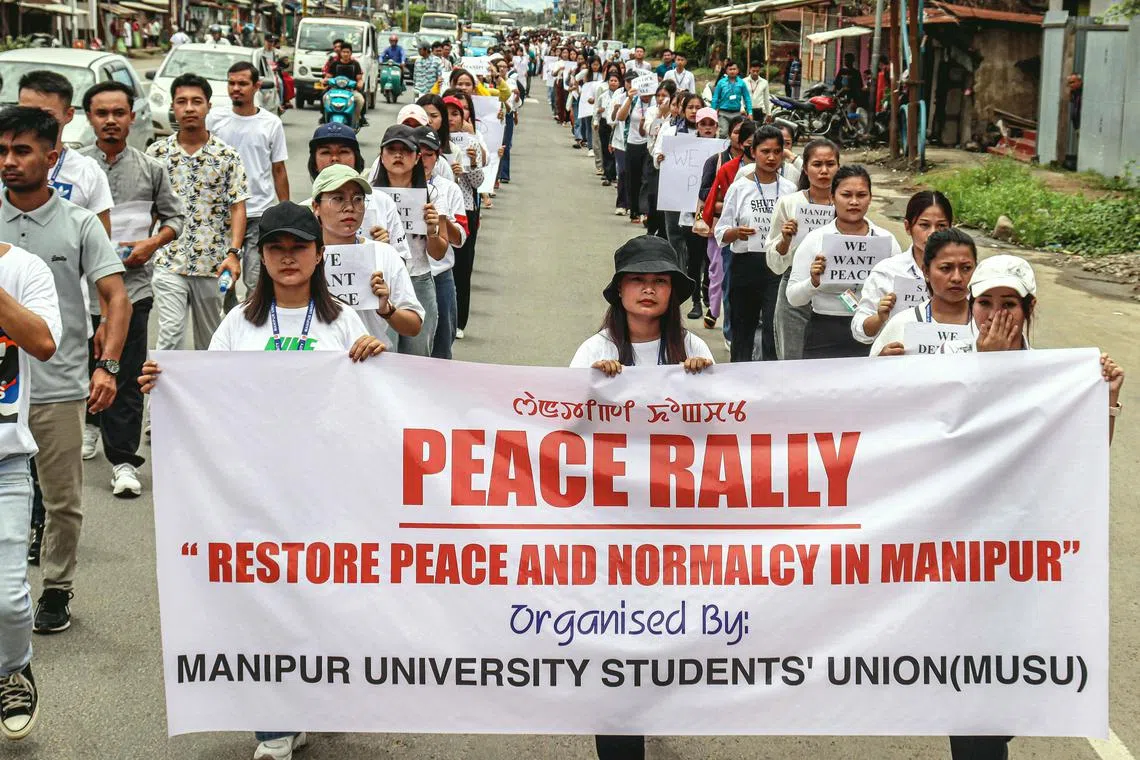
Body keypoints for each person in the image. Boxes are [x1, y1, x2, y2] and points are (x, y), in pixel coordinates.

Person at [137, 202, 385, 760]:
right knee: (262, 605)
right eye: (276, 248)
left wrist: (379, 355)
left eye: (299, 247)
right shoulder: (237, 324)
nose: (288, 257)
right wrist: (167, 380)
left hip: (325, 494)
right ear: (261, 256)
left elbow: (376, 399)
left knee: (317, 603)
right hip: (251, 494)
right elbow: (206, 393)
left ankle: (307, 703)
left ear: (319, 254)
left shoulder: (343, 321)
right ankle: (273, 724)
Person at [0, 107, 130, 634]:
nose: (9, 161)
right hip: (1, 391)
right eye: (2, 150)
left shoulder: (78, 223)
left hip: (58, 385)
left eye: (22, 150)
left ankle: (55, 589)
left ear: (52, 158)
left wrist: (108, 366)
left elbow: (115, 298)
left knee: (61, 500)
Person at [80, 82, 185, 499]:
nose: (110, 121)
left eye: (118, 113)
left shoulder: (149, 169)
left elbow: (174, 218)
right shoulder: (72, 169)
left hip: (133, 288)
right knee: (84, 367)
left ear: (132, 117)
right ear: (89, 117)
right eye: (101, 113)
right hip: (80, 293)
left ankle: (124, 459)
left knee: (124, 373)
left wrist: (152, 244)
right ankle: (89, 426)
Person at [936, 255, 1125, 445]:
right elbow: (937, 434)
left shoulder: (1048, 374)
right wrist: (988, 363)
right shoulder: (948, 356)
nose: (994, 315)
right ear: (972, 304)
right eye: (984, 303)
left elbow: (1085, 451)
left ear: (1029, 307)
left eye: (1008, 304)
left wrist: (1108, 397)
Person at [0, 226, 61, 744]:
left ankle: (12, 668)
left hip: (5, 461)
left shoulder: (24, 269)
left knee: (8, 601)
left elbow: (41, 343)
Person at [147, 73, 247, 357]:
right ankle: (161, 402)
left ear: (208, 106)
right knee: (170, 337)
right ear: (173, 107)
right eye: (182, 102)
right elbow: (149, 209)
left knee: (210, 345)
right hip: (168, 262)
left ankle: (207, 401)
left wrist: (234, 253)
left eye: (196, 101)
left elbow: (238, 206)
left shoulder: (226, 156)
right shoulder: (157, 154)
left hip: (212, 265)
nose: (189, 108)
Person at [786, 164, 901, 358]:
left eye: (861, 195)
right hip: (824, 332)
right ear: (832, 197)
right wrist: (813, 282)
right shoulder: (815, 240)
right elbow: (793, 298)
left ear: (870, 198)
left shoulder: (886, 241)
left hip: (873, 331)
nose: (854, 202)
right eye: (846, 195)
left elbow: (899, 291)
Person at [309, 163, 423, 349]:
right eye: (338, 198)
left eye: (357, 199)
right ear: (316, 207)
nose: (350, 207)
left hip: (370, 360)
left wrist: (386, 309)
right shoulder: (303, 256)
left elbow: (414, 326)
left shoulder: (384, 254)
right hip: (318, 360)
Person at [571, 235, 714, 377]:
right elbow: (569, 396)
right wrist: (590, 381)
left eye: (660, 280)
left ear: (672, 290)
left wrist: (702, 377)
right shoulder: (594, 351)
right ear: (620, 287)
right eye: (637, 279)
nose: (649, 289)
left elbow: (716, 396)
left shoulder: (693, 348)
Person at [207, 61, 289, 309]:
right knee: (223, 283)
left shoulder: (271, 123)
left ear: (256, 86)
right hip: (222, 216)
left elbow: (278, 169)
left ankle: (252, 328)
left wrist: (285, 212)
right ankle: (229, 325)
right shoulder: (214, 120)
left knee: (256, 281)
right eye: (231, 83)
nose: (236, 89)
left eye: (242, 83)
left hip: (258, 214)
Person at [714, 125, 797, 363]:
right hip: (745, 264)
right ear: (752, 151)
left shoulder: (790, 190)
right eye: (765, 151)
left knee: (773, 330)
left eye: (777, 151)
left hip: (778, 267)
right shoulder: (740, 188)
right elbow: (721, 232)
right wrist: (736, 232)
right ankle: (738, 382)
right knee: (743, 329)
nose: (771, 157)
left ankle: (769, 386)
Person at [369, 125, 450, 356]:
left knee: (418, 356)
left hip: (418, 280)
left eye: (405, 150)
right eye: (391, 149)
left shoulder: (432, 195)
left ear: (417, 158)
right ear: (381, 157)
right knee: (385, 354)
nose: (398, 155)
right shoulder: (366, 196)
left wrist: (433, 229)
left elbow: (438, 253)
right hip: (380, 283)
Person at [765, 137, 838, 360]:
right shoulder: (789, 203)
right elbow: (774, 261)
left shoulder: (846, 204)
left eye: (830, 164)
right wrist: (785, 239)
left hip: (836, 289)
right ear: (805, 168)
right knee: (792, 360)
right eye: (817, 164)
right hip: (795, 284)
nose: (824, 171)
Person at [16, 72, 112, 236]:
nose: (34, 122)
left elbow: (101, 244)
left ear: (69, 115)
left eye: (46, 115)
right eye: (27, 112)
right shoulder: (4, 164)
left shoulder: (88, 172)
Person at [853, 190, 952, 345]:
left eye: (941, 226)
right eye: (924, 225)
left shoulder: (964, 274)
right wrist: (879, 318)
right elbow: (860, 331)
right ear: (907, 227)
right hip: (897, 361)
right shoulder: (887, 272)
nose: (933, 233)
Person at [306, 122, 407, 258]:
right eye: (325, 152)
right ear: (316, 206)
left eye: (343, 152)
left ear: (356, 158)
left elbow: (401, 263)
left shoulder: (383, 202)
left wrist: (385, 251)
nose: (335, 158)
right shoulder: (302, 213)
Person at [870, 228, 976, 356]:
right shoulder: (902, 324)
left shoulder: (986, 325)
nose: (957, 278)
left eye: (966, 268)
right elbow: (871, 373)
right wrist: (881, 361)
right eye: (946, 268)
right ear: (926, 271)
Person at [615, 74, 654, 225]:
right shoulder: (633, 100)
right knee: (633, 177)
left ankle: (645, 211)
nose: (646, 95)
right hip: (632, 143)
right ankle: (634, 210)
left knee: (646, 177)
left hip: (649, 144)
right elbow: (620, 117)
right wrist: (630, 99)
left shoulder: (656, 102)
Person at [322, 42, 367, 128]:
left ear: (351, 53)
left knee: (360, 100)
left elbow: (359, 79)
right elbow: (328, 77)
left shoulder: (355, 64)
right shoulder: (334, 64)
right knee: (324, 97)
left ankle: (357, 119)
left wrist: (359, 84)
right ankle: (325, 118)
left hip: (351, 91)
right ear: (340, 53)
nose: (345, 54)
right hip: (334, 90)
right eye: (344, 52)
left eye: (347, 52)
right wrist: (325, 81)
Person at [710, 60, 752, 137]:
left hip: (736, 113)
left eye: (734, 69)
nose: (732, 71)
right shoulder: (721, 82)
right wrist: (712, 111)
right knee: (723, 133)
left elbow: (747, 98)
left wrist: (750, 112)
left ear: (738, 70)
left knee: (736, 134)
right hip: (723, 113)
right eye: (730, 69)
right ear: (726, 71)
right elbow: (715, 97)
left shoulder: (742, 83)